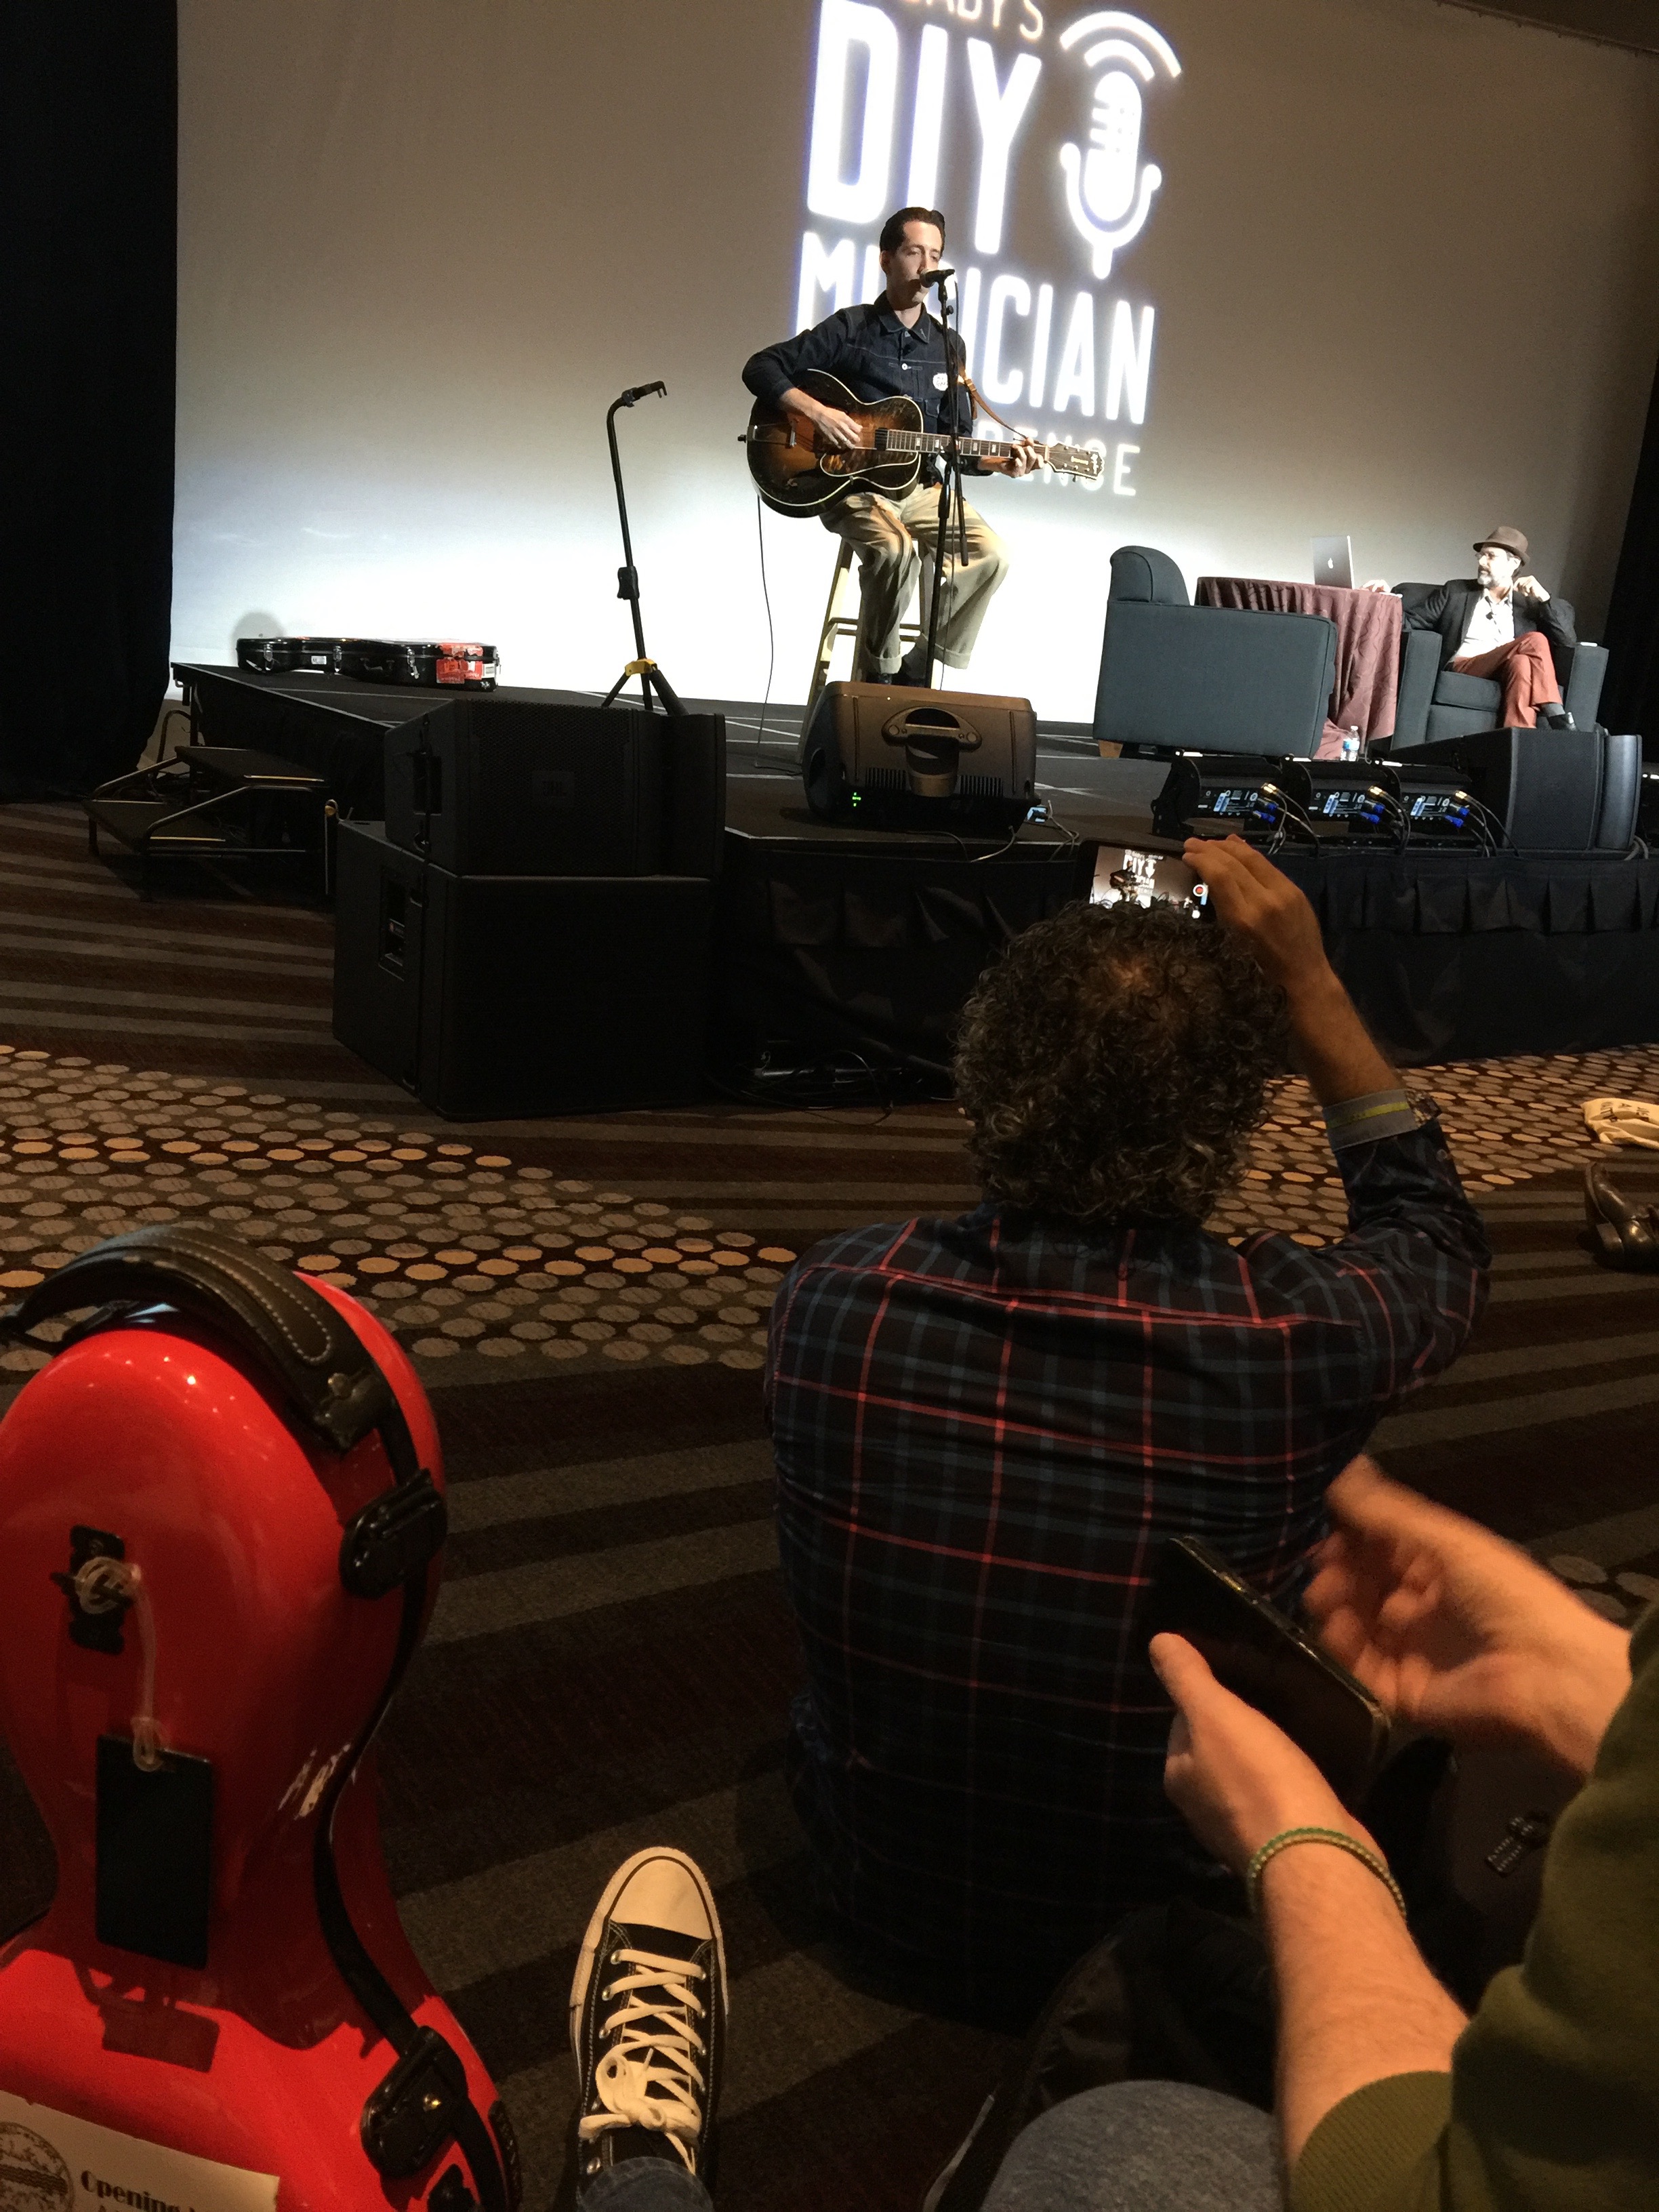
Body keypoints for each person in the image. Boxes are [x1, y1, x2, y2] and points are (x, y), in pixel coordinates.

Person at [764, 840, 1491, 2012]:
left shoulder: (830, 1295)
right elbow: (1434, 1233)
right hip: (1160, 1944)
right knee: (1342, 1530)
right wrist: (1307, 983)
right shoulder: (1297, 1334)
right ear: (1232, 1119)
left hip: (877, 1899)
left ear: (981, 1076)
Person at [742, 206, 1036, 687]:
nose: (926, 265)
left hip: (920, 489)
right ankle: (878, 679)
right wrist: (817, 412)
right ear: (886, 259)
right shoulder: (852, 328)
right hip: (849, 485)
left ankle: (923, 660)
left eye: (935, 254)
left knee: (993, 555)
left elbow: (956, 441)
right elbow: (760, 367)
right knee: (896, 550)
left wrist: (1002, 463)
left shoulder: (947, 345)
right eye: (914, 251)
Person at [1362, 527, 1578, 729]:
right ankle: (1556, 713)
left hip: (1506, 669)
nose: (1482, 561)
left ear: (1514, 563)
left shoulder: (1529, 603)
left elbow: (1567, 640)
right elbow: (1411, 622)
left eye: (1491, 556)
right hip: (1464, 665)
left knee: (1522, 663)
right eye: (1480, 556)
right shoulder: (1456, 591)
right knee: (1536, 641)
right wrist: (1387, 601)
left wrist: (1544, 598)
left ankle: (1516, 744)